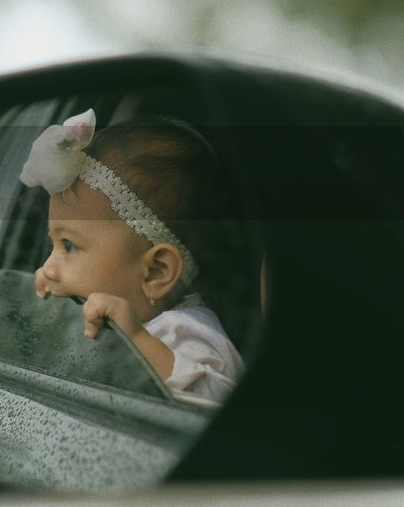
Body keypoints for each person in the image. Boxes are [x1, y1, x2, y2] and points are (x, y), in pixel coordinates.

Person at [21, 109, 242, 402]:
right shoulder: (111, 322)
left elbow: (220, 401)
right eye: (53, 245)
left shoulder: (183, 332)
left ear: (156, 271)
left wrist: (137, 339)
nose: (47, 267)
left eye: (69, 246)